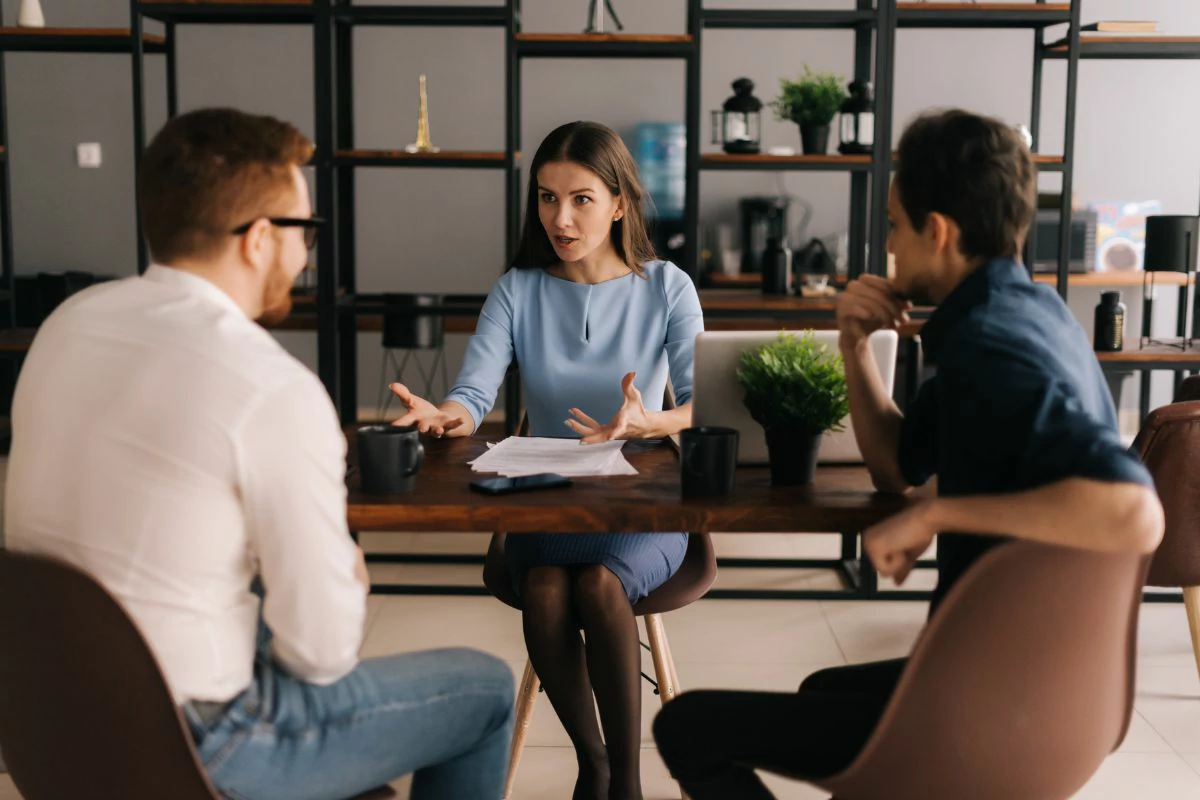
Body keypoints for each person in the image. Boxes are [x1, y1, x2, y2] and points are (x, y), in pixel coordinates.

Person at [652, 108, 1164, 798]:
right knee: (823, 689)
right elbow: (895, 466)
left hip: (981, 713)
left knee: (688, 728)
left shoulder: (991, 345)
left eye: (894, 225)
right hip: (1062, 702)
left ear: (940, 232)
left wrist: (934, 516)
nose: (888, 246)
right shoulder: (1030, 315)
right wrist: (854, 346)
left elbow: (1134, 511)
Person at [5, 108, 514, 800]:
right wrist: (342, 566)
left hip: (43, 719)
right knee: (484, 689)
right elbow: (322, 655)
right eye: (304, 233)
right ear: (260, 240)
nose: (306, 256)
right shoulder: (271, 387)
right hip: (197, 743)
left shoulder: (68, 324)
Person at [391, 120, 704, 800]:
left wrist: (654, 419)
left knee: (594, 582)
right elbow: (474, 393)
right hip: (543, 499)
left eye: (581, 199)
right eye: (546, 198)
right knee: (542, 585)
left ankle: (624, 781)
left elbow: (706, 405)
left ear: (620, 203)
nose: (559, 218)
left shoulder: (667, 288)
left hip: (639, 505)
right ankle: (592, 763)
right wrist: (448, 415)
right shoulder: (518, 290)